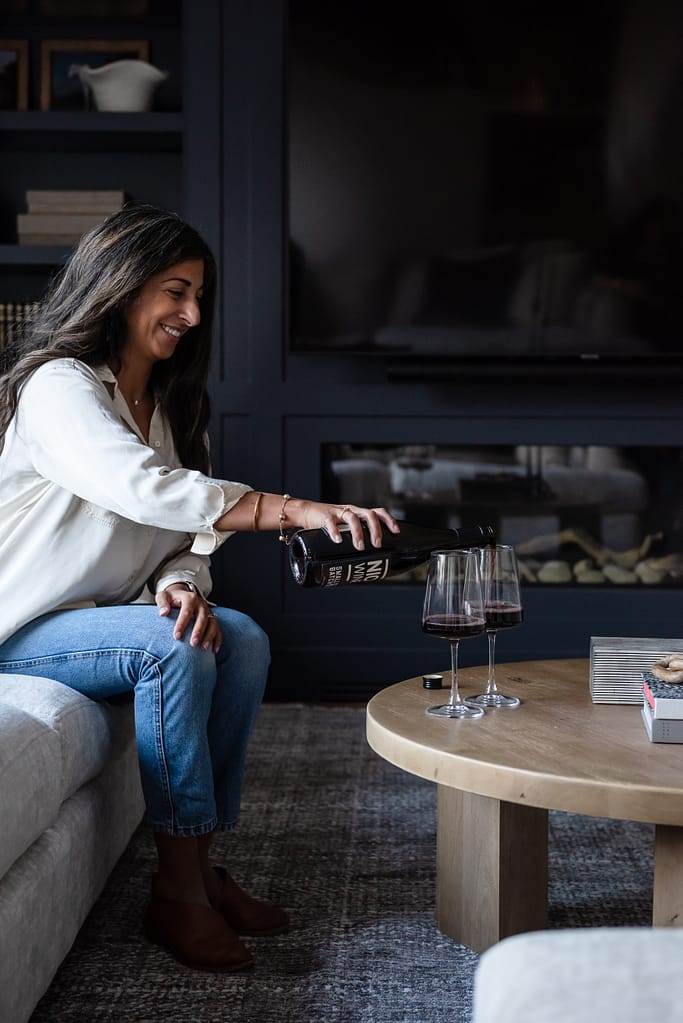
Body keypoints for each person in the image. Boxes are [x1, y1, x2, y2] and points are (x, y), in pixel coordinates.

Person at [0, 202, 399, 973]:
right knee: (169, 652)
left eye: (198, 296)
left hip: (102, 619)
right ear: (118, 286)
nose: (190, 313)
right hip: (21, 627)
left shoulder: (175, 407)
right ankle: (178, 891)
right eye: (173, 290)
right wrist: (291, 509)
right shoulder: (60, 386)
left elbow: (185, 539)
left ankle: (201, 867)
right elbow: (139, 487)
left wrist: (180, 585)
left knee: (238, 635)